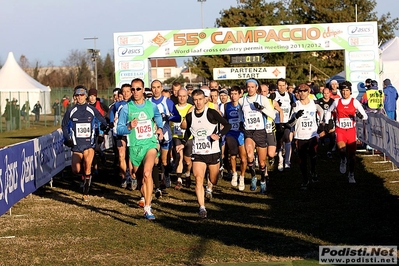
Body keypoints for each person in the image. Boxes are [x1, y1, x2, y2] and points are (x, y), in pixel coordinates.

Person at [176, 89, 231, 218]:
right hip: (198, 152)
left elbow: (227, 125)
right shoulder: (190, 116)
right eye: (195, 100)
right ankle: (202, 208)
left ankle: (211, 186)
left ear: (205, 99)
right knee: (198, 179)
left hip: (213, 152)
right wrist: (183, 143)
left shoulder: (211, 113)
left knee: (213, 179)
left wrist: (219, 135)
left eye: (200, 99)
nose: (198, 102)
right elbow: (189, 131)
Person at [117, 78, 164, 220]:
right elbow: (119, 129)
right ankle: (144, 196)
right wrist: (129, 126)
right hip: (135, 148)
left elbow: (158, 117)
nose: (135, 92)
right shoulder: (127, 108)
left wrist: (160, 128)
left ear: (143, 90)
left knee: (147, 173)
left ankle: (148, 208)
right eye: (133, 89)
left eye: (138, 89)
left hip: (150, 144)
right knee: (139, 180)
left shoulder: (151, 106)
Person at [62, 85, 108, 201]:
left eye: (82, 95)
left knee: (88, 166)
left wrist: (104, 128)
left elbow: (102, 120)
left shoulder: (91, 110)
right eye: (77, 95)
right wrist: (68, 139)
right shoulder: (71, 111)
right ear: (75, 97)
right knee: (75, 170)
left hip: (89, 143)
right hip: (77, 145)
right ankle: (86, 177)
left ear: (85, 96)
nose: (80, 97)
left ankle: (85, 193)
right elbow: (64, 126)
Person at [325, 81, 368, 183]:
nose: (345, 93)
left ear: (350, 91)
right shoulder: (337, 102)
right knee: (342, 149)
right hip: (340, 130)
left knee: (352, 155)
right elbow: (328, 111)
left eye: (347, 91)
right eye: (343, 91)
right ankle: (343, 160)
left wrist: (360, 116)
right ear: (340, 91)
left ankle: (351, 174)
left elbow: (365, 116)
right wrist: (328, 122)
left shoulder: (355, 102)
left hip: (351, 131)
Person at [239, 79, 276, 194]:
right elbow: (240, 113)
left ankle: (263, 180)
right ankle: (254, 177)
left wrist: (261, 108)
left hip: (260, 131)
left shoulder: (262, 99)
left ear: (256, 88)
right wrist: (241, 122)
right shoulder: (242, 100)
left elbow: (273, 115)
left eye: (252, 87)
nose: (250, 89)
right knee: (249, 155)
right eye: (248, 87)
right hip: (249, 131)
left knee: (261, 162)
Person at [287, 84, 325, 189]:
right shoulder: (295, 105)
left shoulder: (314, 103)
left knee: (313, 156)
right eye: (300, 91)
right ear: (298, 93)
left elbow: (322, 112)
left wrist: (321, 124)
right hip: (300, 136)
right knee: (302, 160)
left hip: (312, 135)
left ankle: (313, 171)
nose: (302, 93)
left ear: (309, 92)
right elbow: (290, 123)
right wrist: (296, 116)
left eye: (305, 91)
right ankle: (305, 179)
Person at [150, 80, 181, 194]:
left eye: (158, 87)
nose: (156, 90)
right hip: (153, 135)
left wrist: (168, 117)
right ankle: (157, 184)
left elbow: (178, 117)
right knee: (154, 160)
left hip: (166, 134)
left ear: (162, 88)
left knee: (164, 161)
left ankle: (166, 175)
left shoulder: (167, 102)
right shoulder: (148, 102)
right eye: (153, 87)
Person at [110, 84, 135, 189]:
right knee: (121, 155)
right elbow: (112, 112)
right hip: (121, 132)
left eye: (128, 91)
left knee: (131, 156)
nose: (125, 94)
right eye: (123, 92)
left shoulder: (134, 104)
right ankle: (124, 177)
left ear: (131, 92)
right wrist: (112, 121)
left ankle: (133, 177)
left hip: (133, 132)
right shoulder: (118, 104)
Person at [225, 86, 247, 191]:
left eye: (235, 94)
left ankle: (242, 177)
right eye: (232, 94)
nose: (233, 96)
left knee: (243, 158)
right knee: (233, 155)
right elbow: (224, 118)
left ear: (240, 95)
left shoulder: (243, 105)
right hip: (231, 133)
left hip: (241, 133)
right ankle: (234, 173)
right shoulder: (226, 106)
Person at [171, 88, 193, 189]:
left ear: (187, 97)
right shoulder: (173, 108)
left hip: (189, 137)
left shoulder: (191, 107)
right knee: (179, 158)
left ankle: (187, 174)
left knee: (187, 161)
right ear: (177, 96)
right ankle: (179, 180)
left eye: (184, 96)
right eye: (180, 96)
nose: (182, 98)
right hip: (176, 136)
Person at [273, 78, 296, 172]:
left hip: (287, 121)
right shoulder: (273, 95)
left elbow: (294, 105)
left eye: (283, 85)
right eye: (279, 85)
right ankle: (280, 160)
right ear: (277, 86)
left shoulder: (290, 95)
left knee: (287, 138)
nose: (281, 87)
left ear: (286, 86)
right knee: (279, 142)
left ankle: (287, 161)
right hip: (276, 121)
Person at [315, 87, 336, 158]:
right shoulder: (318, 101)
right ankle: (315, 152)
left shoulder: (333, 102)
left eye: (327, 93)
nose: (326, 95)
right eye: (324, 93)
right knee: (316, 137)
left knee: (332, 137)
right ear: (322, 93)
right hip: (320, 123)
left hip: (330, 123)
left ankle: (329, 151)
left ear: (329, 93)